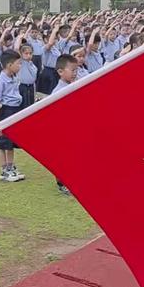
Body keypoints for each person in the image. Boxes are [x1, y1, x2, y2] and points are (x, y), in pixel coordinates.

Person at [0, 49, 25, 183]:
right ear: (9, 65)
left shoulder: (14, 78)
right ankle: (4, 170)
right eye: (18, 63)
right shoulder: (1, 81)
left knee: (11, 142)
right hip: (6, 112)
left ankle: (11, 167)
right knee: (3, 143)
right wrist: (1, 116)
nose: (20, 66)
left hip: (15, 110)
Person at [52, 54, 78, 195]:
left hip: (73, 129)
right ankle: (62, 183)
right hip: (62, 131)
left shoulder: (74, 86)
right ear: (61, 71)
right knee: (62, 158)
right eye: (72, 70)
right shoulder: (58, 92)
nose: (75, 73)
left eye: (76, 70)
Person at [17, 43, 37, 109]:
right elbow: (17, 49)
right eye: (26, 53)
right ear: (22, 54)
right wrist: (20, 38)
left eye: (30, 53)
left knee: (31, 106)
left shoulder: (32, 64)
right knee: (23, 107)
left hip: (31, 87)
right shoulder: (21, 62)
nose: (28, 55)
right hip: (23, 87)